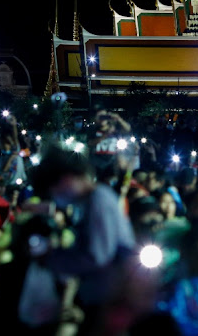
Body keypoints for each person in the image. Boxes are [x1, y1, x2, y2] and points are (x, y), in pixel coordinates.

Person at [29, 141, 140, 335]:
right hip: (105, 298)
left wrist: (51, 258)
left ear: (66, 179)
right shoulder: (92, 201)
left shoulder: (99, 200)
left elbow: (96, 257)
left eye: (53, 190)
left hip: (110, 300)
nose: (56, 197)